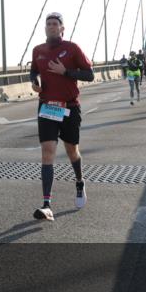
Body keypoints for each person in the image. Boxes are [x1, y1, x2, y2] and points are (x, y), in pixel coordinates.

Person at [29, 12, 94, 221]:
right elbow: (33, 71)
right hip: (47, 107)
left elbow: (89, 74)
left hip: (70, 108)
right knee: (47, 152)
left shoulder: (72, 48)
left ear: (62, 28)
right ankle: (47, 205)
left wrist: (65, 72)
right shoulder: (37, 50)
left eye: (55, 24)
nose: (51, 26)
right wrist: (35, 82)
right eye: (48, 24)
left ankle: (79, 181)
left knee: (72, 150)